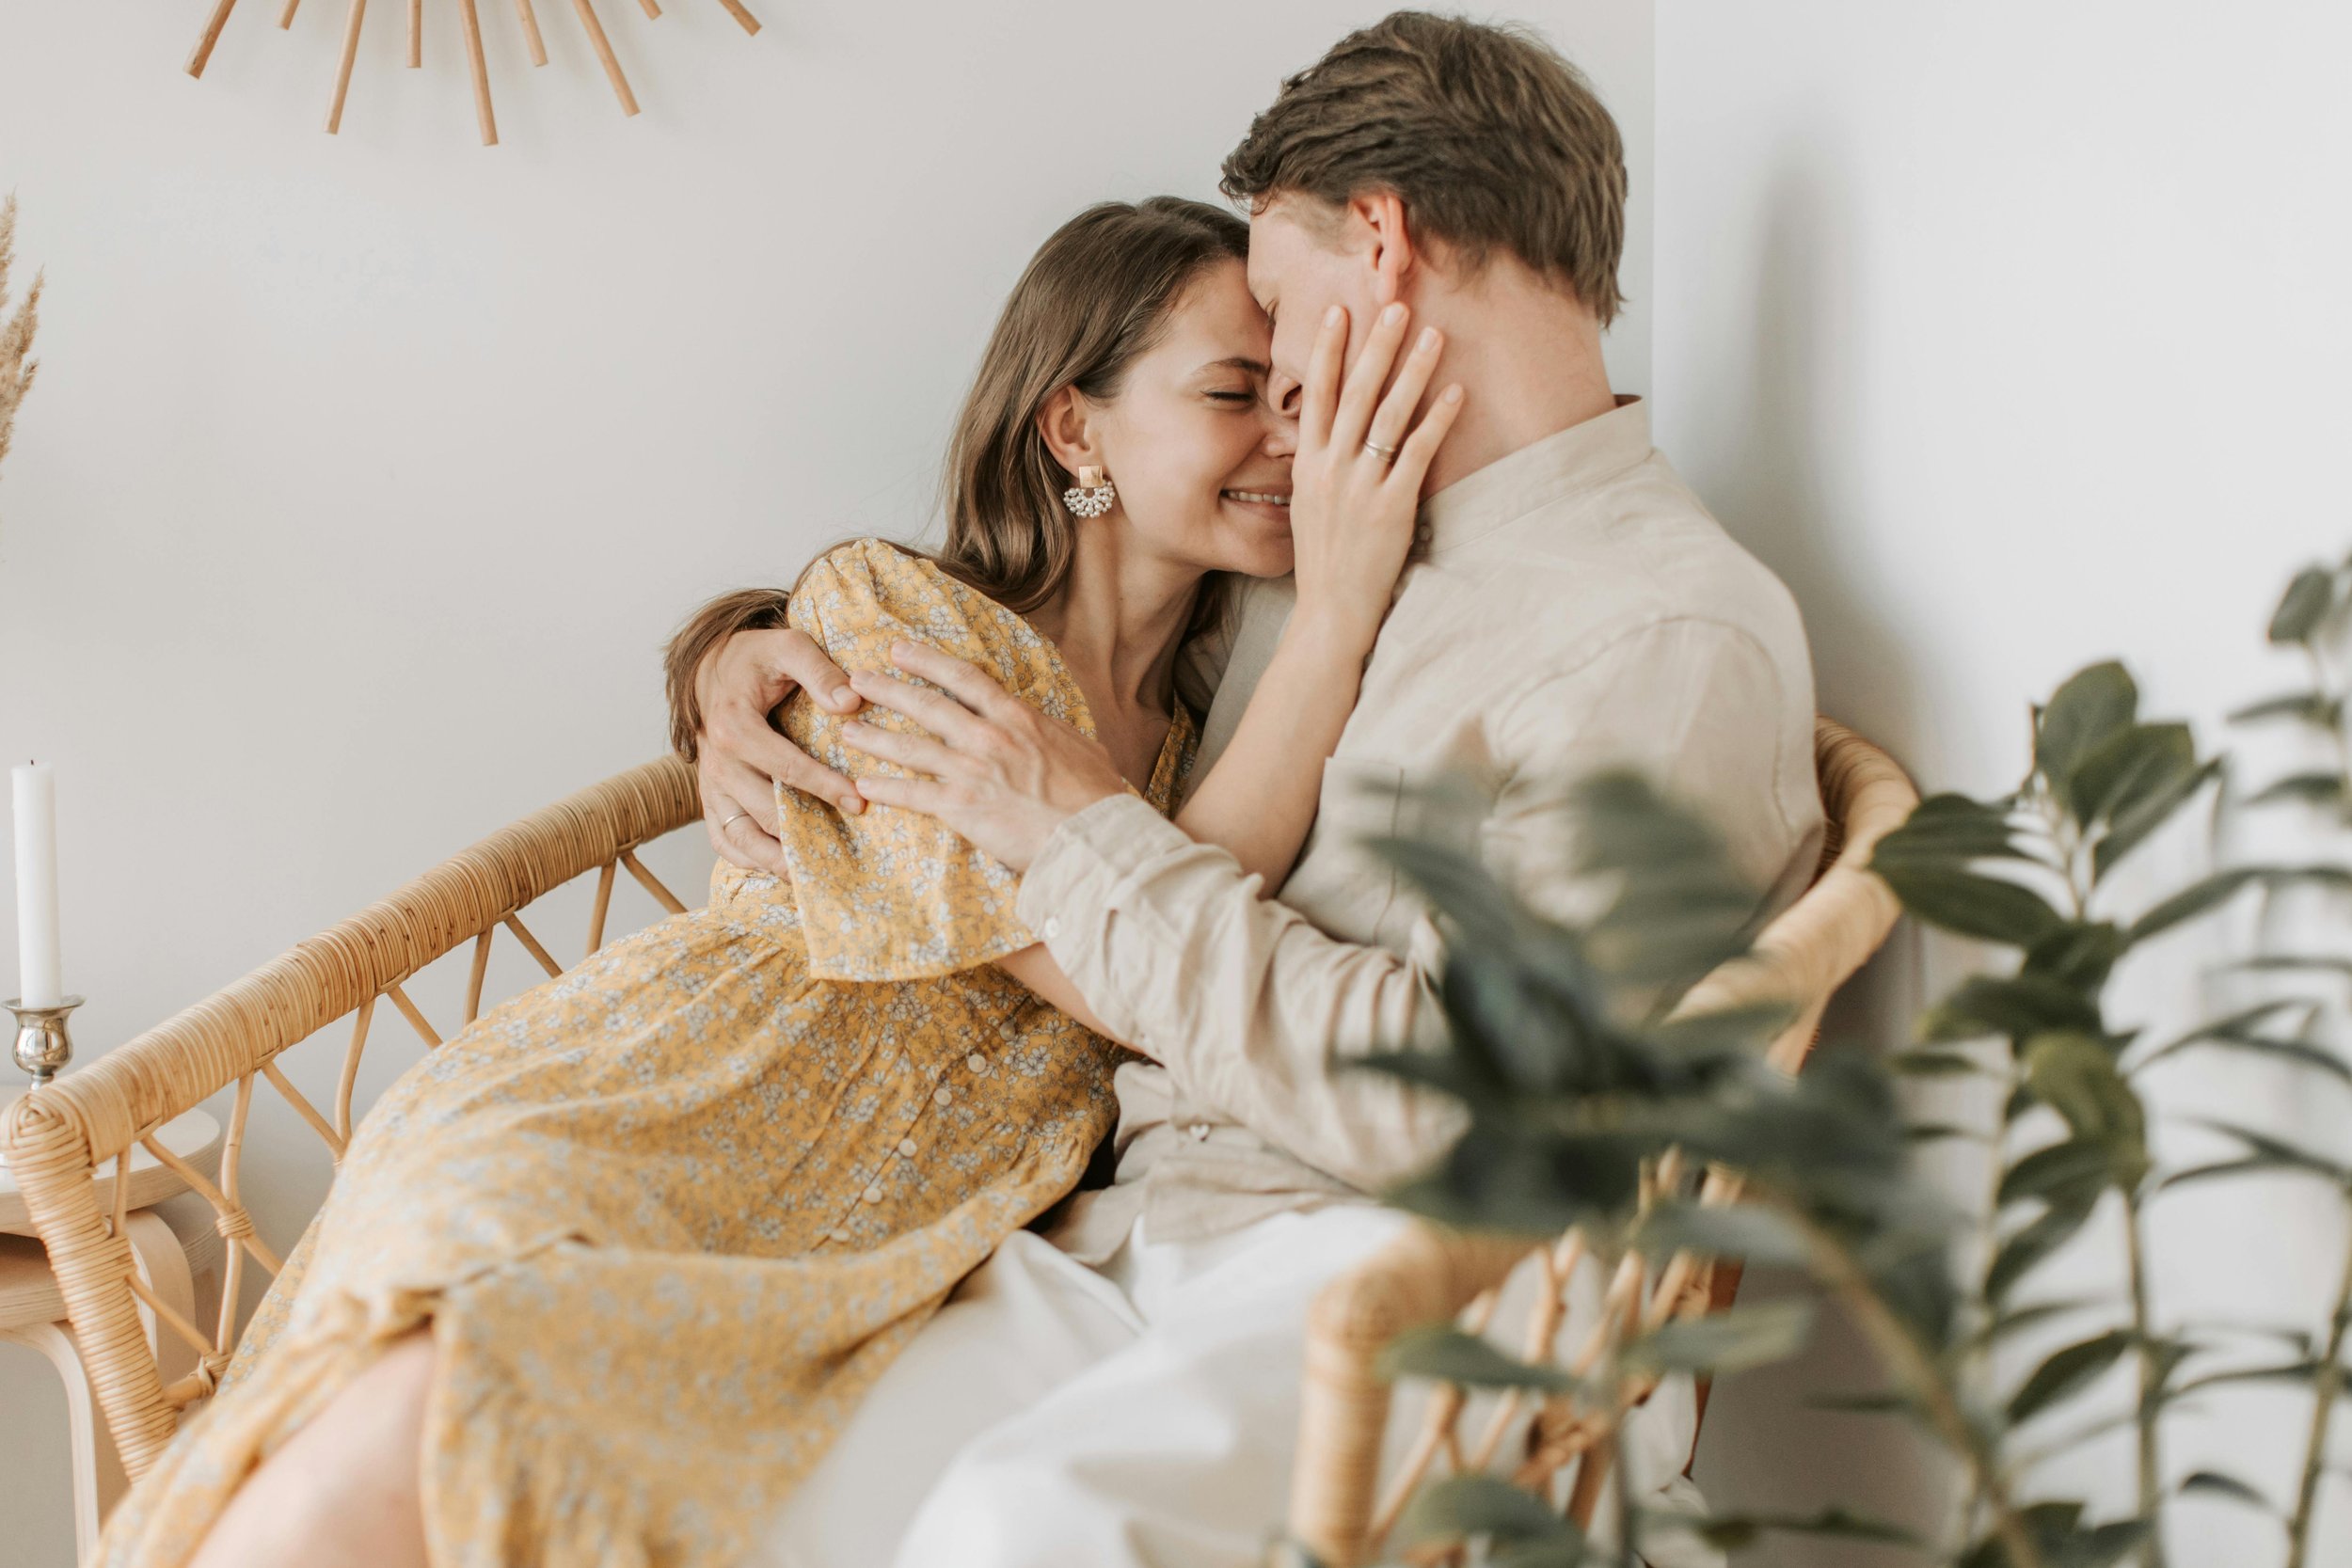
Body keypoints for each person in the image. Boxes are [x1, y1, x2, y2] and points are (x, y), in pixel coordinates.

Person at [95, 195, 1459, 1568]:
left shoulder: (1210, 729)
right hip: (675, 1099)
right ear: (1074, 428)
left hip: (908, 1216)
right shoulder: (896, 619)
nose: (1292, 438)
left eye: (1298, 397)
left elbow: (1171, 907)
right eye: (1238, 394)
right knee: (436, 1384)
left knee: (574, 1425)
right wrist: (1339, 610)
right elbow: (1127, 959)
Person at [692, 14, 1825, 1568]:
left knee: (1015, 1532)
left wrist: (1081, 834)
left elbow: (1482, 1120)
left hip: (1386, 1266)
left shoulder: (1660, 633)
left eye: (1281, 308)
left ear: (1384, 240)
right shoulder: (1345, 546)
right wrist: (733, 652)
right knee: (726, 1484)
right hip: (1131, 1234)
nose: (1283, 384)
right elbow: (1051, 618)